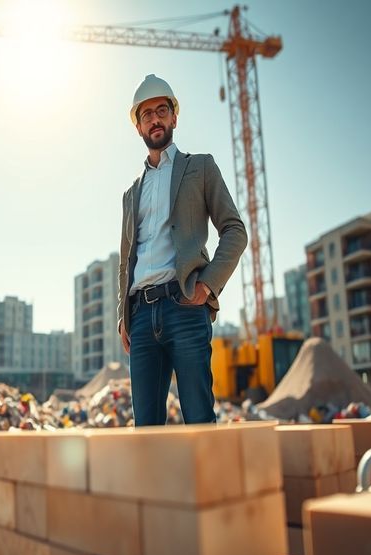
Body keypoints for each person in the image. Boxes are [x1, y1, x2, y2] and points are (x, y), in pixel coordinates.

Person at [117, 74, 248, 426]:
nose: (155, 119)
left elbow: (235, 231)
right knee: (146, 429)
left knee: (199, 420)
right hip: (141, 317)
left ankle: (209, 485)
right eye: (147, 115)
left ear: (174, 118)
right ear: (138, 126)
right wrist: (123, 314)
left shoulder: (200, 167)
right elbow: (125, 258)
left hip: (185, 307)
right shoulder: (131, 193)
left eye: (162, 111)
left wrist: (207, 286)